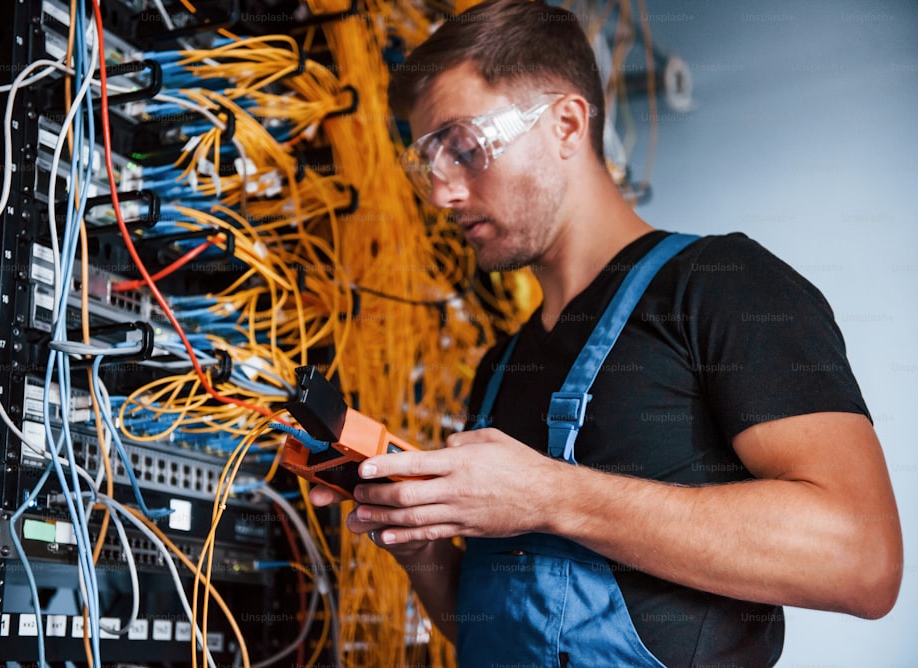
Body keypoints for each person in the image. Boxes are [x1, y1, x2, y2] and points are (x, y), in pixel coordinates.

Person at [309, 0, 903, 665]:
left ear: (566, 123)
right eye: (429, 165)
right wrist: (418, 543)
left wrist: (549, 497)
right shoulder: (503, 367)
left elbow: (862, 558)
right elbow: (503, 633)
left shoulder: (724, 285)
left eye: (465, 149)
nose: (444, 193)